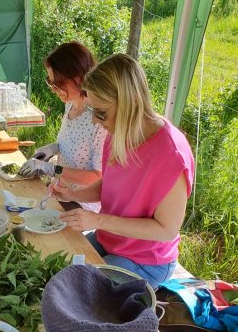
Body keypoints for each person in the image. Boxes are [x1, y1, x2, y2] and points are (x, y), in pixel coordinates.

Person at [53, 54, 195, 288]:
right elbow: (109, 184)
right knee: (60, 263)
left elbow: (166, 230)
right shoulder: (117, 132)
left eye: (101, 113)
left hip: (146, 260)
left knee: (84, 292)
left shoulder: (171, 155)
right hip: (110, 240)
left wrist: (97, 220)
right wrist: (73, 195)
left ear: (130, 104)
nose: (96, 123)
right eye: (93, 112)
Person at [18, 41, 107, 212]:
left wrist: (51, 169)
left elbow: (97, 177)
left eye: (57, 83)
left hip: (81, 204)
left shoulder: (100, 120)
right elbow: (72, 144)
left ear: (78, 78)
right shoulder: (71, 104)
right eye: (50, 82)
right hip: (59, 191)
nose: (53, 89)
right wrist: (53, 149)